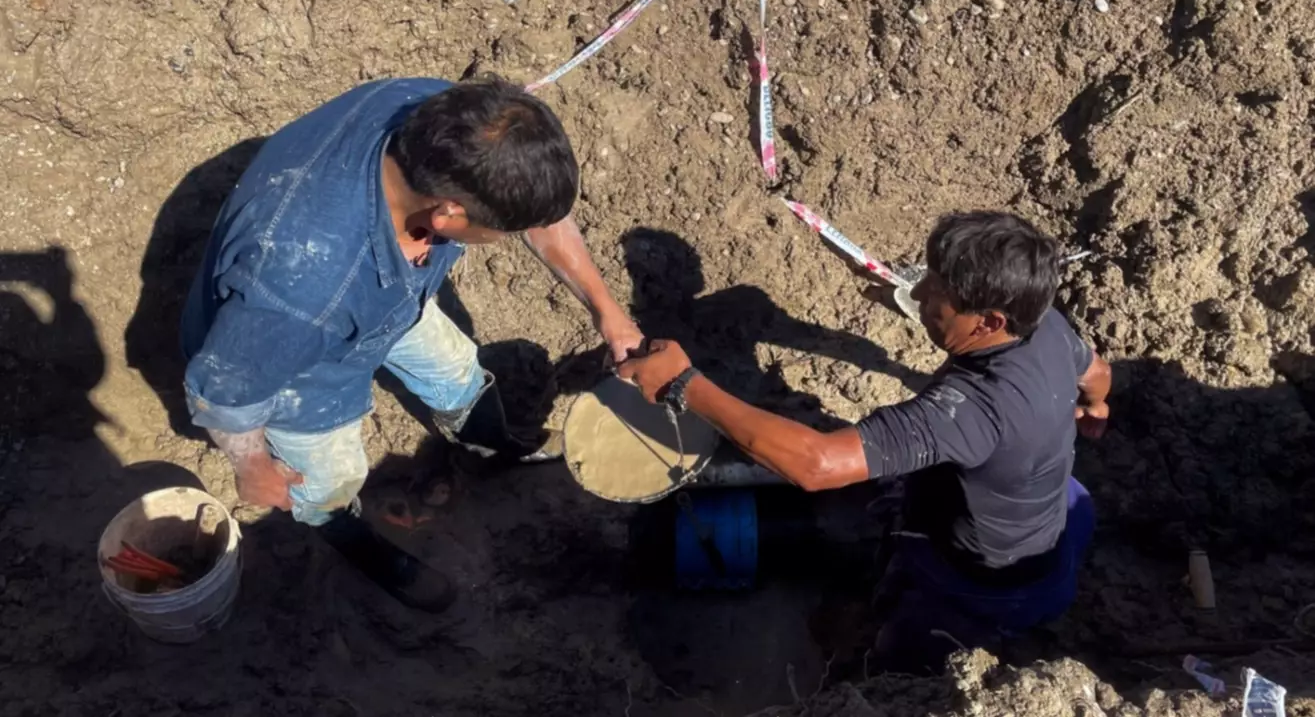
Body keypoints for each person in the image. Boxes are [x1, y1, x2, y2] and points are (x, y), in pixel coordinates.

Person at [181, 76, 643, 610]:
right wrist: (253, 469)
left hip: (388, 293)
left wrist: (608, 313)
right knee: (332, 474)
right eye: (502, 232)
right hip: (292, 364)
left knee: (456, 368)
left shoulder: (447, 121)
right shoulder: (301, 286)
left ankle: (490, 444)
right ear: (447, 214)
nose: (509, 237)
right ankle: (346, 532)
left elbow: (536, 213)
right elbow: (226, 395)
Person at [618, 211, 1111, 673]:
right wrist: (1096, 407)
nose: (918, 294)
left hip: (982, 584)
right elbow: (1097, 373)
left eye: (938, 291)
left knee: (903, 658)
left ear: (989, 322)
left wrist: (684, 384)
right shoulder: (1043, 324)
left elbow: (817, 465)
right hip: (1050, 522)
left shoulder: (969, 410)